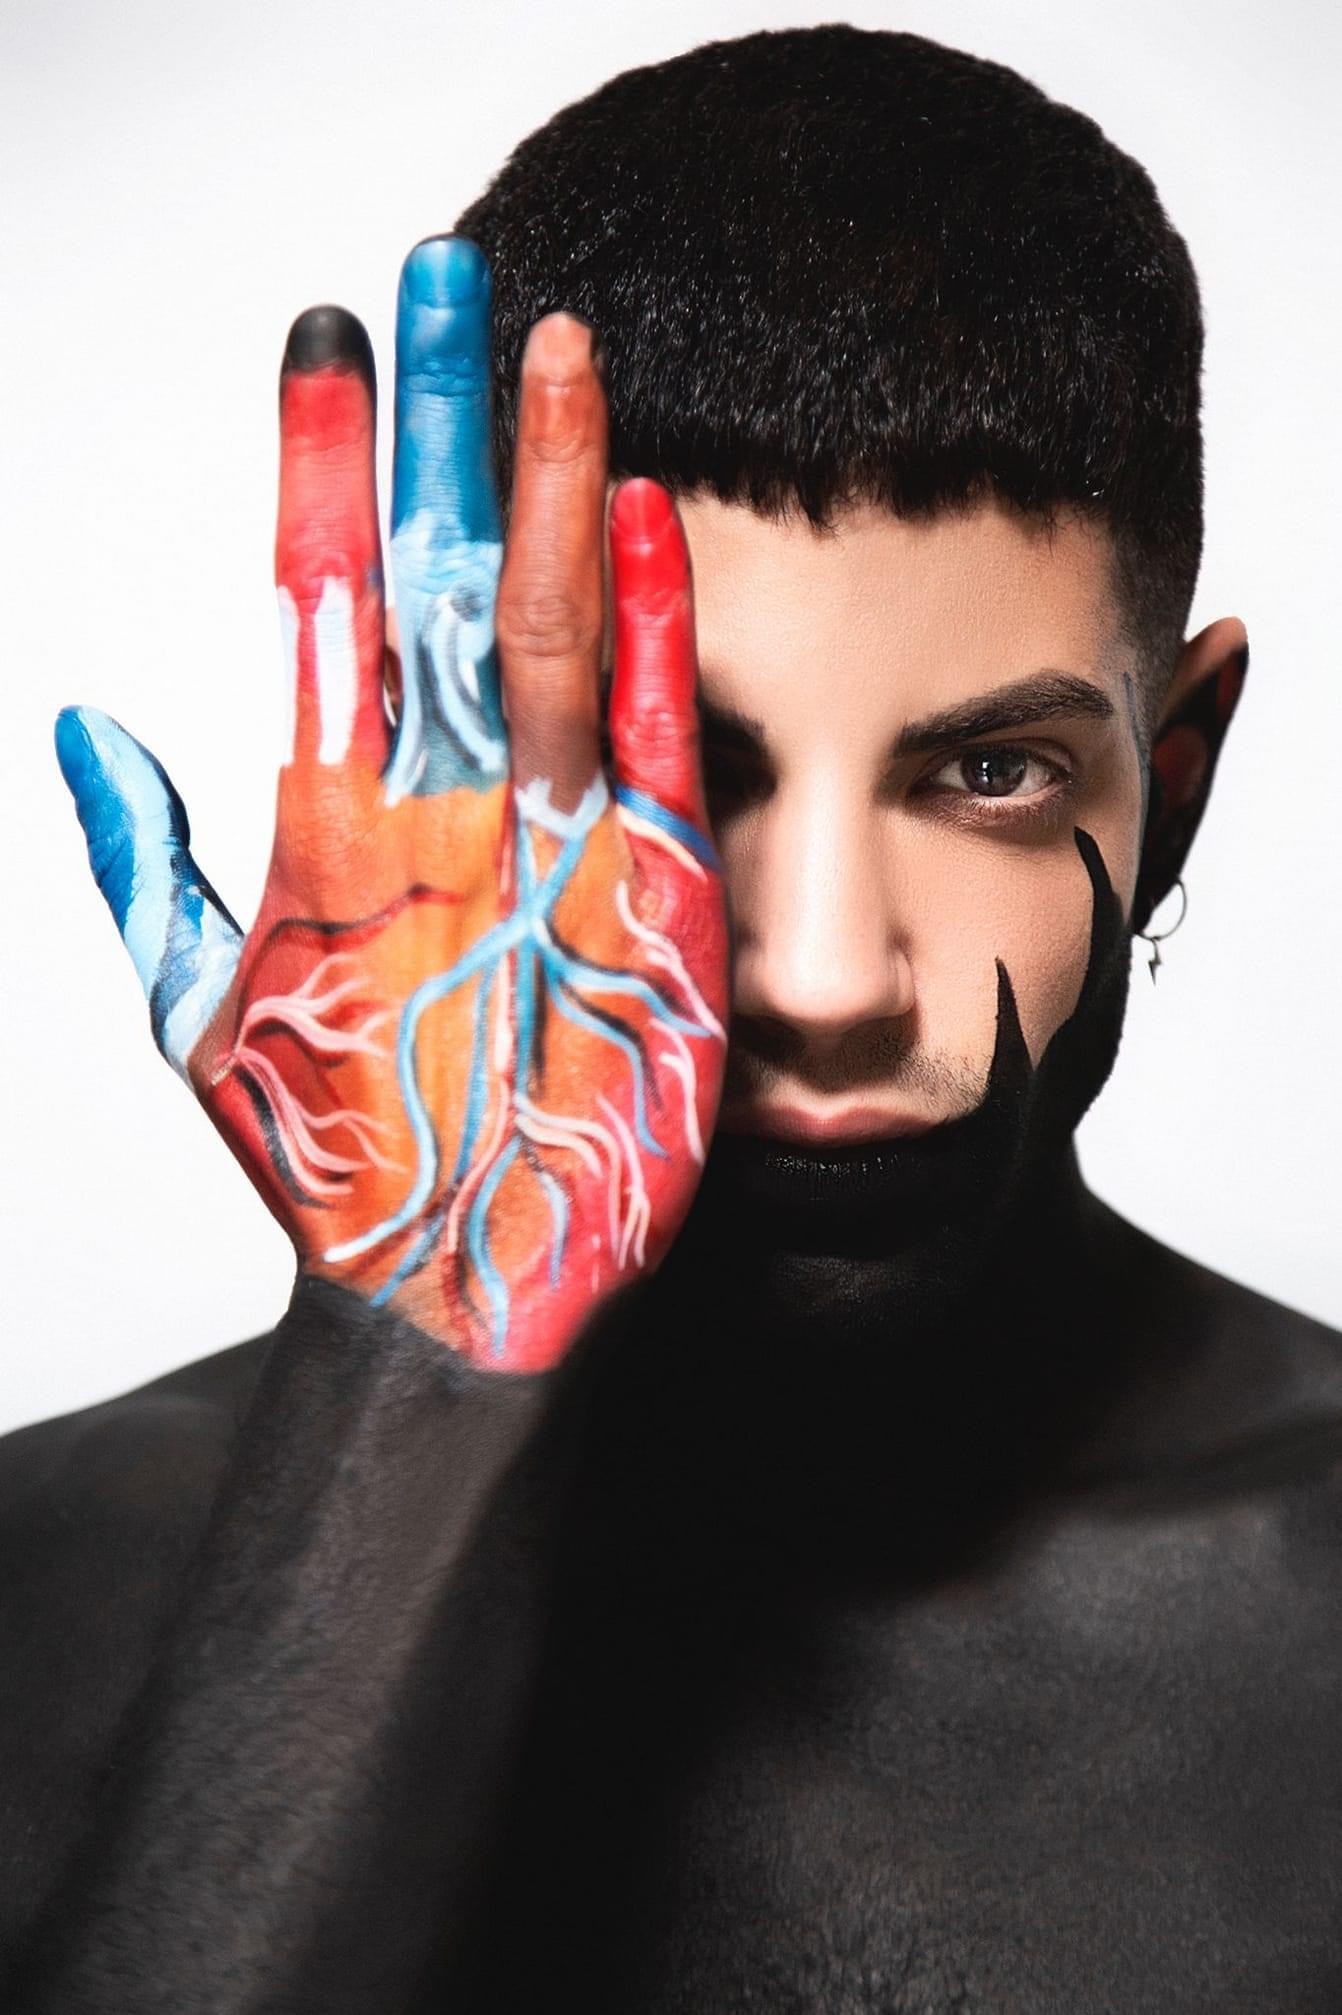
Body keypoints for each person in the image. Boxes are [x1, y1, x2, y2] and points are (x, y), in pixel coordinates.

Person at [4, 22, 1340, 2011]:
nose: (815, 976)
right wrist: (412, 1378)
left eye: (985, 776)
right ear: (449, 786)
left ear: (1181, 779)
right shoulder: (46, 1586)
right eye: (685, 776)